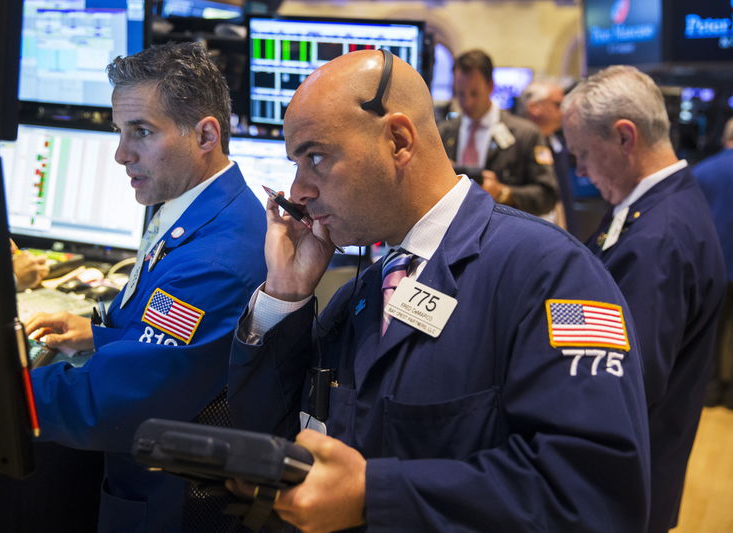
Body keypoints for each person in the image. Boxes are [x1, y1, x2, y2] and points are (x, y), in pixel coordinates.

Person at [227, 49, 650, 532]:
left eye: (316, 157)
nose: (298, 190)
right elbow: (268, 436)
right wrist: (286, 293)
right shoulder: (362, 292)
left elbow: (596, 495)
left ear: (399, 140)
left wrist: (376, 494)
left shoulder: (553, 275)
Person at [19, 42, 265, 531]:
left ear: (206, 135)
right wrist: (100, 336)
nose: (120, 154)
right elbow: (177, 343)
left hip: (165, 504)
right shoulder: (196, 204)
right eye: (119, 131)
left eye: (142, 132)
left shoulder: (217, 259)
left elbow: (109, 400)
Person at [562, 65, 726, 533]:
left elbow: (622, 382)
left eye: (583, 155)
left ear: (624, 137)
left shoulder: (659, 238)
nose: (580, 171)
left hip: (620, 490)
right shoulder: (653, 206)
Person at [438, 49, 558, 216]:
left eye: (474, 93)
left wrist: (503, 193)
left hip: (505, 233)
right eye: (460, 94)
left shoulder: (526, 134)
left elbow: (547, 196)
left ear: (490, 86)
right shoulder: (443, 133)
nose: (467, 102)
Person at [692, 117, 733, 409]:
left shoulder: (703, 171)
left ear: (724, 137)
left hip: (715, 265)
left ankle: (710, 390)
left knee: (711, 331)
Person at [517, 77, 577, 232]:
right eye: (558, 105)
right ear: (534, 107)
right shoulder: (515, 144)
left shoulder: (558, 142)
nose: (563, 111)